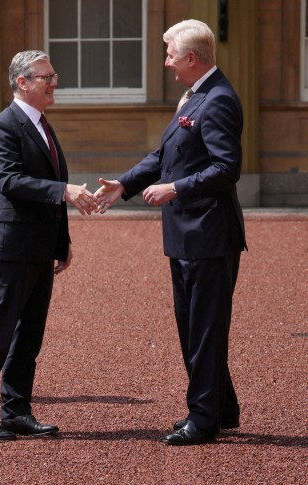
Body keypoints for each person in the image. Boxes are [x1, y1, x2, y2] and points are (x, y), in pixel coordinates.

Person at [94, 19, 246, 445]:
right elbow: (164, 153)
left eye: (171, 55)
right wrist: (126, 183)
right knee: (195, 326)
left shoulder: (216, 100)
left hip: (209, 233)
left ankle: (202, 419)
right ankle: (220, 408)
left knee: (203, 329)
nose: (166, 63)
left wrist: (174, 188)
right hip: (188, 234)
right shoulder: (195, 96)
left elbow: (226, 168)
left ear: (192, 59)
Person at [0, 50, 96, 441]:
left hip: (38, 246)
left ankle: (17, 409)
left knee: (29, 334)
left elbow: (47, 185)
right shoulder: (3, 126)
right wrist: (64, 191)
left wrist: (62, 241)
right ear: (22, 82)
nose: (54, 83)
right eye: (46, 77)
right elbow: (9, 181)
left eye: (53, 75)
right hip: (11, 246)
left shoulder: (42, 125)